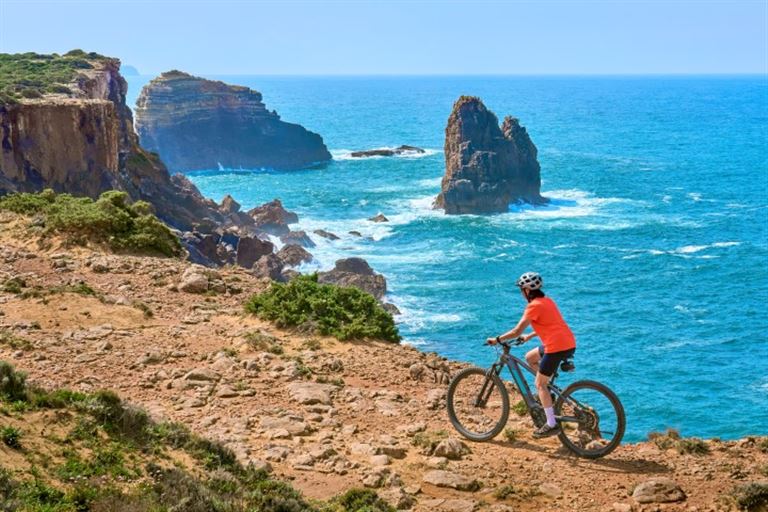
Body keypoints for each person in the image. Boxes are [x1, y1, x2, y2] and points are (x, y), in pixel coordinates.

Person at [487, 272, 576, 438]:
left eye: (522, 289)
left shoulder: (533, 306)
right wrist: (529, 336)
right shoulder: (548, 301)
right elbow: (551, 324)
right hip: (568, 342)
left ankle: (551, 424)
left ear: (527, 290)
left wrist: (497, 339)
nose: (521, 293)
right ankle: (548, 393)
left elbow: (516, 331)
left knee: (539, 384)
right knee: (530, 357)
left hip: (555, 347)